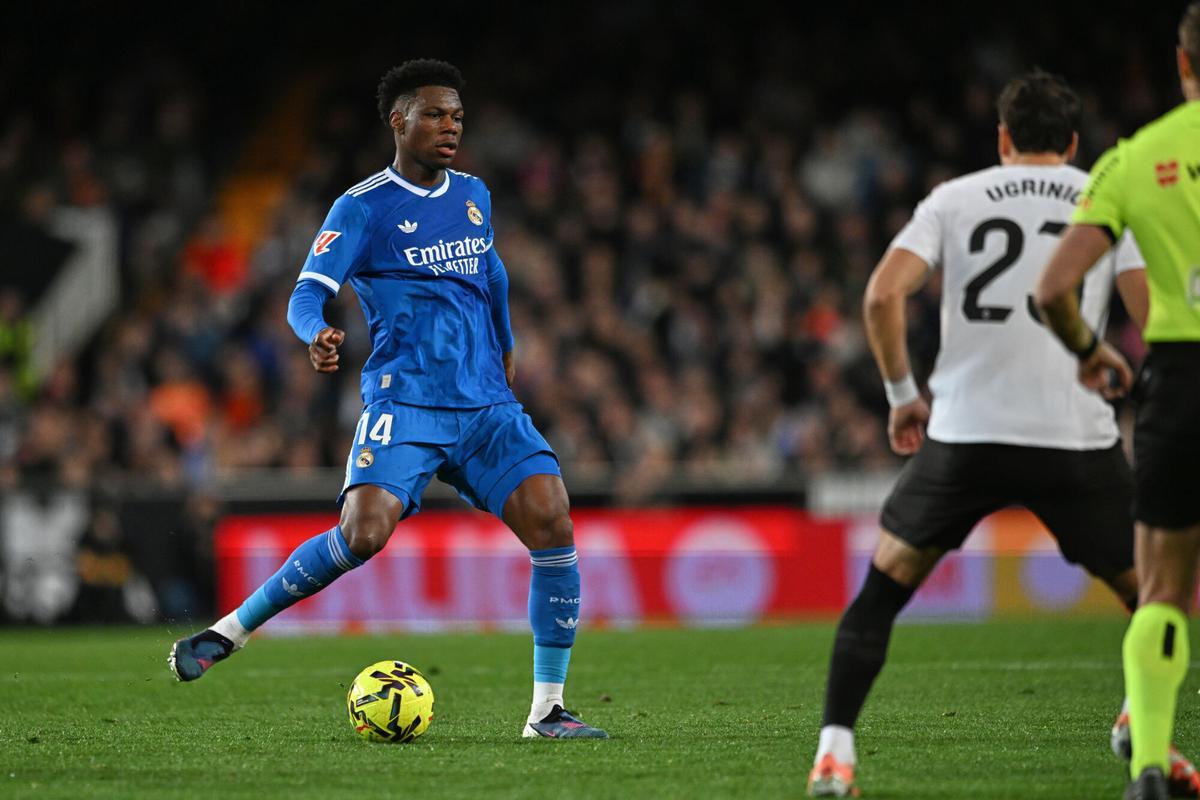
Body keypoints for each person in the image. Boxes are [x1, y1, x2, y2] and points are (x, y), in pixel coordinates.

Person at [169, 59, 607, 740]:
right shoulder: (362, 206)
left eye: (458, 115)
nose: (450, 126)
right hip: (406, 403)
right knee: (363, 533)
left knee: (553, 520)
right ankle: (230, 631)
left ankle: (546, 711)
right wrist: (316, 333)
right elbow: (306, 292)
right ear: (397, 120)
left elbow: (489, 270)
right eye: (435, 113)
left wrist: (507, 339)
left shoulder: (473, 194)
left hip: (486, 402)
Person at [808, 69, 1183, 798]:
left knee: (880, 595)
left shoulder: (954, 198)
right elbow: (1149, 317)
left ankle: (833, 754)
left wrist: (901, 397)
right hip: (1075, 440)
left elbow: (883, 293)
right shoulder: (1104, 195)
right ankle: (1147, 725)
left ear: (1003, 138)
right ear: (1074, 142)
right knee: (1157, 598)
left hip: (966, 437)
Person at [1034, 5, 1200, 797]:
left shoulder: (1135, 160)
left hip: (1182, 382)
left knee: (1162, 591)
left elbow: (1054, 288)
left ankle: (1148, 769)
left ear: (1183, 64)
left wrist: (1089, 349)